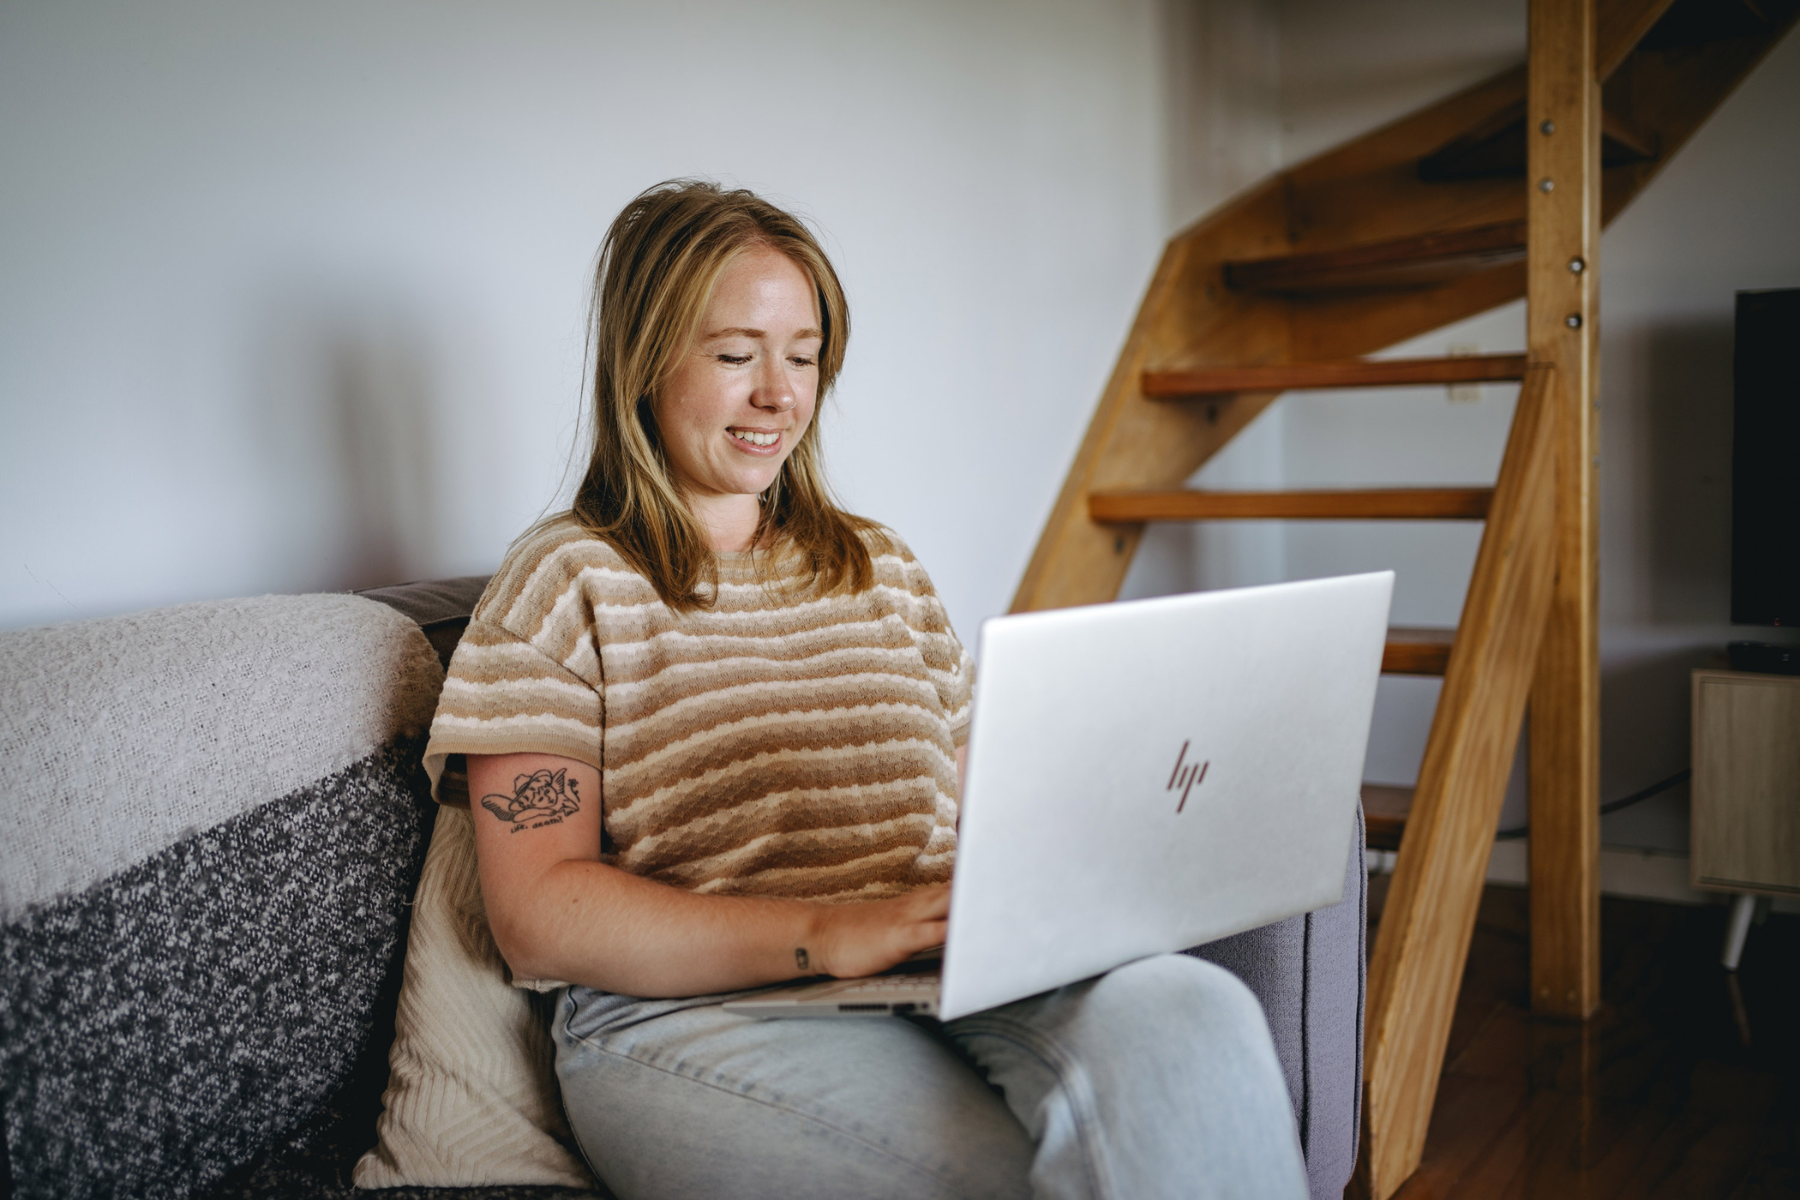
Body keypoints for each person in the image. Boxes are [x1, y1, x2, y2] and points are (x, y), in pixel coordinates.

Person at [423, 180, 1309, 1200]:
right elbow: (537, 911)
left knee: (1198, 1010)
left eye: (803, 356)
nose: (780, 395)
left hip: (954, 971)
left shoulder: (878, 566)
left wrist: (1126, 832)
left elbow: (991, 794)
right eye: (733, 354)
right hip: (696, 1017)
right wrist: (827, 930)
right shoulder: (564, 582)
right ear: (643, 362)